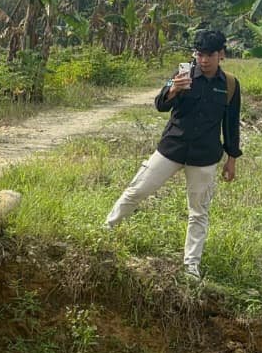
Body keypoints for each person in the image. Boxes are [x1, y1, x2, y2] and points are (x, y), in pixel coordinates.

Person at [104, 29, 242, 279]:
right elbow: (160, 103)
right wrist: (173, 89)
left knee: (198, 212)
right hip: (172, 148)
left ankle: (191, 266)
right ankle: (105, 230)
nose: (204, 60)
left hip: (205, 156)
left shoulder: (230, 85)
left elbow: (231, 124)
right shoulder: (181, 74)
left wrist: (231, 159)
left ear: (221, 54)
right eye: (199, 54)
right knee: (137, 189)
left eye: (209, 55)